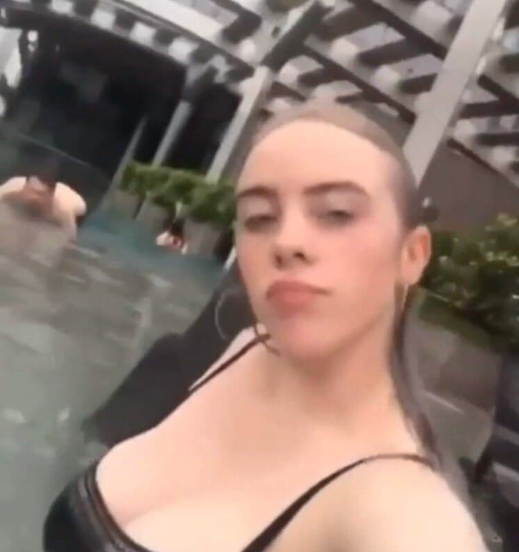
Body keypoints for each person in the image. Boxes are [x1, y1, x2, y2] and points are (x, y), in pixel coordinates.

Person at [44, 103, 488, 552]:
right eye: (259, 218)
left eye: (336, 213)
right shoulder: (240, 350)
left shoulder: (408, 515)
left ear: (412, 255)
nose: (286, 242)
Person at [0, 168, 86, 238]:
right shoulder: (11, 188)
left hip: (78, 208)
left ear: (50, 196)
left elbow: (70, 237)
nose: (33, 197)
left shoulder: (63, 208)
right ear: (24, 188)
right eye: (31, 191)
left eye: (40, 194)